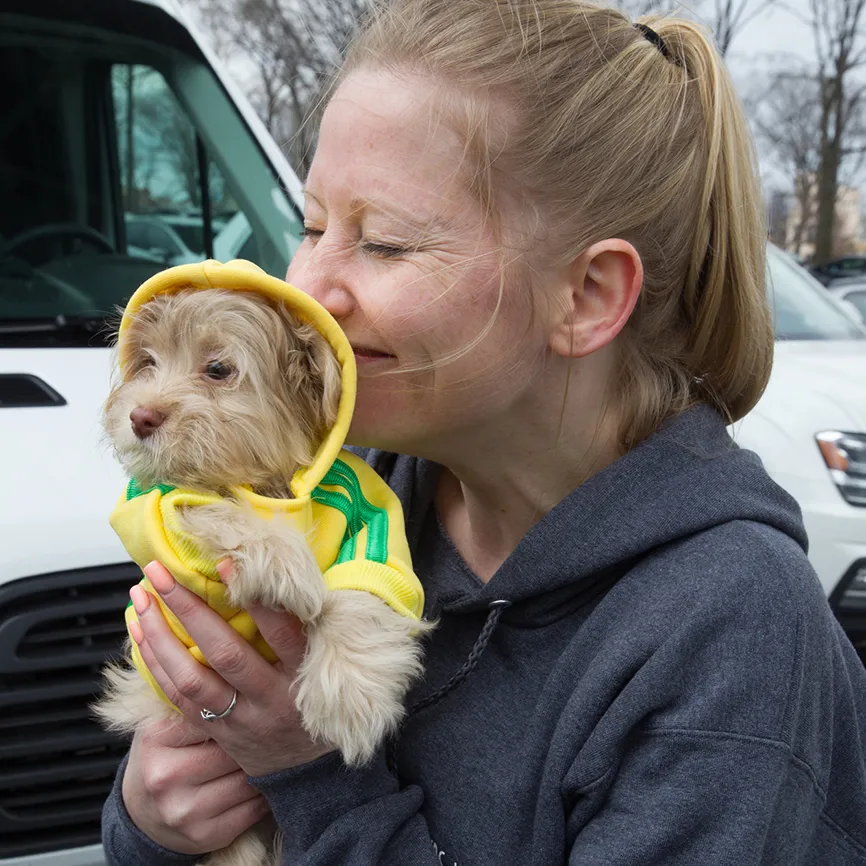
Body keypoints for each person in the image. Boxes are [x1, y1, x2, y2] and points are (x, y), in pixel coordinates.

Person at [101, 1, 866, 863]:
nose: (309, 287)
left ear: (587, 297)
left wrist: (309, 777)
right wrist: (153, 822)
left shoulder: (729, 628)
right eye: (311, 227)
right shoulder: (351, 498)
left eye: (384, 243)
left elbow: (306, 783)